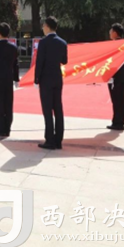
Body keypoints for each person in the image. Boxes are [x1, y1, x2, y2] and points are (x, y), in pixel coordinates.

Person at [34, 16, 68, 150]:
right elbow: (64, 61)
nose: (43, 28)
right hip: (57, 78)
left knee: (47, 110)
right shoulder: (62, 42)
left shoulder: (43, 42)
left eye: (43, 26)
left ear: (47, 27)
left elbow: (39, 62)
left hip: (46, 80)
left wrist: (36, 79)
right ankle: (58, 140)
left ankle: (49, 139)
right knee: (58, 109)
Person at [0, 23, 20, 138]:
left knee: (0, 104)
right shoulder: (13, 48)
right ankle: (7, 128)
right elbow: (16, 65)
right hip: (8, 79)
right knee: (8, 103)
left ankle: (0, 128)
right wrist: (16, 79)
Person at [107, 23, 124, 131]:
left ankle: (118, 122)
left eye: (111, 31)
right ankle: (118, 121)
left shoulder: (116, 45)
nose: (109, 33)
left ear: (115, 33)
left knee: (117, 100)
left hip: (116, 77)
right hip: (122, 76)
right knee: (120, 99)